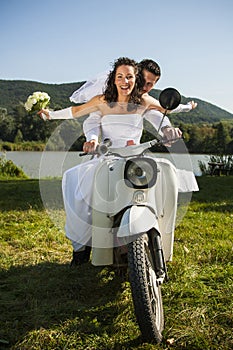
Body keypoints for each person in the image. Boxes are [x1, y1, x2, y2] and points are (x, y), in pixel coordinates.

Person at [39, 57, 198, 266]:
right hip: (108, 155)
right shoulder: (102, 101)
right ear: (113, 79)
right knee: (74, 180)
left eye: (129, 77)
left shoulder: (143, 101)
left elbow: (163, 111)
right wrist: (50, 115)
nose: (125, 81)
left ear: (135, 79)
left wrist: (174, 124)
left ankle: (159, 234)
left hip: (136, 155)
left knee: (166, 172)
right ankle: (81, 245)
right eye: (120, 77)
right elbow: (76, 112)